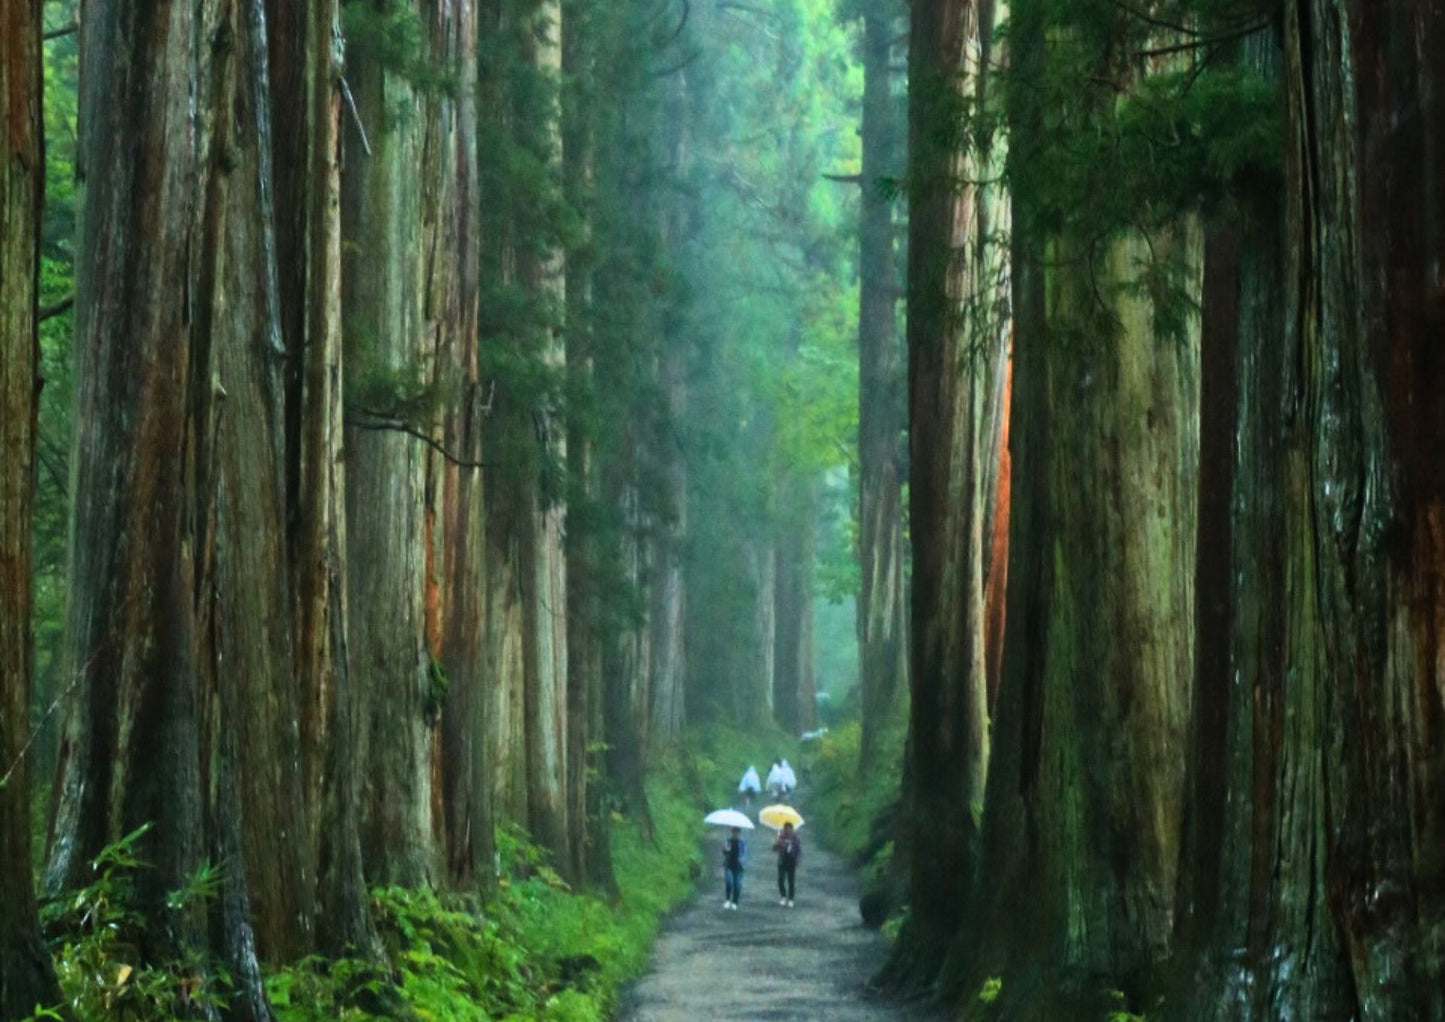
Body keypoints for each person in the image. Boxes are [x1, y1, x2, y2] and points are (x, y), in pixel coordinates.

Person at [773, 821, 801, 906]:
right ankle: (783, 896)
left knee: (791, 881)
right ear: (784, 829)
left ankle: (791, 898)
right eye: (786, 829)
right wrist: (777, 843)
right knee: (781, 879)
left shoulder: (795, 839)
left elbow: (798, 850)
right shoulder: (780, 837)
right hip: (782, 861)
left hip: (791, 862)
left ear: (792, 829)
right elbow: (774, 849)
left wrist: (798, 859)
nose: (788, 830)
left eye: (790, 828)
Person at [722, 826, 747, 910]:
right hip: (729, 865)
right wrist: (725, 850)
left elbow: (744, 854)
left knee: (737, 885)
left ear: (740, 833)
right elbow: (724, 853)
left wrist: (742, 860)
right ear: (732, 832)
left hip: (739, 866)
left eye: (737, 832)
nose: (735, 834)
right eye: (734, 832)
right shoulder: (728, 841)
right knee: (729, 882)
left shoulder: (742, 843)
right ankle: (728, 899)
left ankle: (735, 902)